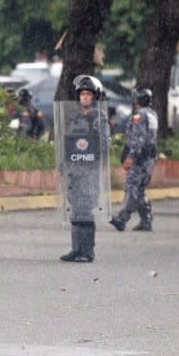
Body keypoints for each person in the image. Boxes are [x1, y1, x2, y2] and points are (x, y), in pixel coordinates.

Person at [59, 75, 110, 263]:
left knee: (86, 210)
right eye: (82, 94)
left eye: (88, 94)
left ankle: (87, 251)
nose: (85, 97)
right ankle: (76, 249)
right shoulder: (76, 118)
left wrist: (97, 163)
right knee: (76, 210)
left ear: (95, 97)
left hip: (89, 170)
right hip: (75, 170)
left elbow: (104, 144)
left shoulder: (99, 118)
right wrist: (63, 165)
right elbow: (69, 143)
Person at [110, 88, 158, 232]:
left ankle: (122, 218)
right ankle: (146, 220)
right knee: (140, 189)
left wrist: (131, 157)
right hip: (148, 157)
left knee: (132, 187)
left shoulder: (140, 115)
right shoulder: (152, 114)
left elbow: (138, 139)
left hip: (140, 158)